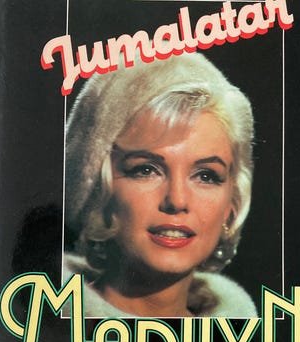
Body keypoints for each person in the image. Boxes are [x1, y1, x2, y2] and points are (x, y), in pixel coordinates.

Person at [64, 52, 257, 317]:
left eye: (206, 176)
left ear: (231, 205)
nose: (177, 200)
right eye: (146, 170)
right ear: (97, 189)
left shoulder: (246, 338)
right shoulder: (51, 328)